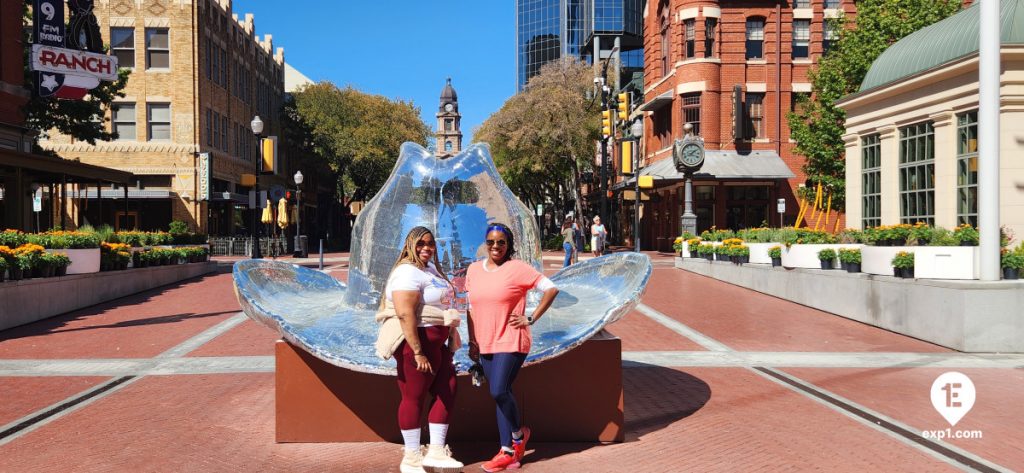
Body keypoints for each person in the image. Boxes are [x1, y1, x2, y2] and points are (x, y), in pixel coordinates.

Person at [465, 223, 559, 472]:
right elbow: (470, 308)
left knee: (498, 390)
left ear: (509, 245)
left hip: (511, 338)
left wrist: (531, 318)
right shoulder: (474, 270)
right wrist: (472, 340)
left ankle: (518, 437)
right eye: (491, 242)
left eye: (501, 242)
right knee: (500, 397)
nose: (495, 246)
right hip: (484, 341)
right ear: (485, 243)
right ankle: (509, 452)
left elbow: (551, 288)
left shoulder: (517, 269)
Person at [375, 226, 464, 473]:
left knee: (448, 389)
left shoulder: (429, 269)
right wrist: (417, 351)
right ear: (410, 245)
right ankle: (412, 457)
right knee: (413, 397)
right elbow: (405, 314)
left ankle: (436, 451)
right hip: (416, 344)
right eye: (421, 244)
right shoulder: (406, 272)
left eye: (430, 244)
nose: (426, 248)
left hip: (437, 343)